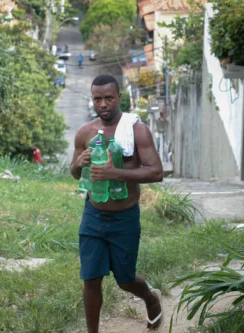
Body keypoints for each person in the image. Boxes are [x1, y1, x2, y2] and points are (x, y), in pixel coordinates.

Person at [69, 74, 164, 332]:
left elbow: (156, 172)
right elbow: (75, 173)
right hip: (94, 214)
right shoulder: (85, 132)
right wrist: (78, 164)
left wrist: (115, 173)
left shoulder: (136, 130)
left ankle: (151, 299)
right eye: (97, 99)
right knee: (91, 278)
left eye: (108, 98)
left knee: (125, 280)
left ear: (118, 97)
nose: (103, 104)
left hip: (125, 217)